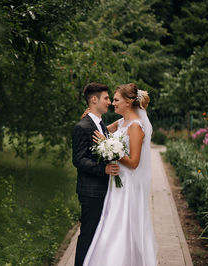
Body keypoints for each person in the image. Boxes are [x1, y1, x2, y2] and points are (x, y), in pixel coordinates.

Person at [83, 83, 158, 266]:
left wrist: (113, 151)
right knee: (111, 223)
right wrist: (90, 117)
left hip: (126, 185)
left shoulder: (135, 126)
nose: (113, 103)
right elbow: (100, 132)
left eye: (116, 100)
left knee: (120, 226)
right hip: (114, 182)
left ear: (128, 102)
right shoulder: (121, 123)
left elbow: (133, 163)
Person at [71, 82, 120, 266]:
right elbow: (78, 160)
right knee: (88, 235)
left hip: (104, 189)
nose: (109, 102)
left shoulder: (102, 126)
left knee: (99, 236)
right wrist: (103, 169)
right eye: (106, 98)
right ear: (94, 99)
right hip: (91, 191)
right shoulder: (82, 127)